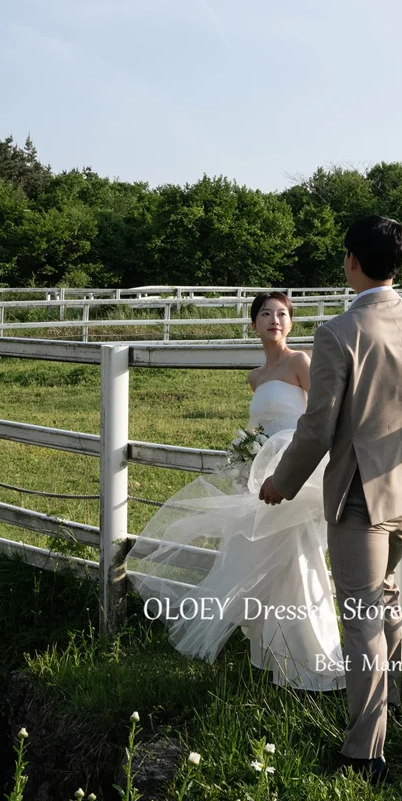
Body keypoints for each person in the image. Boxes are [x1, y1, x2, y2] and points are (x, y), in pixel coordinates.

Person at [260, 216, 402, 782]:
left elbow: (317, 428)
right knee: (384, 596)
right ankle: (388, 704)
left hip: (361, 495)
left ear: (351, 261)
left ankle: (364, 754)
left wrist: (282, 482)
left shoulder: (339, 331)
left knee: (362, 617)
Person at [126, 291, 346, 692]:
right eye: (265, 314)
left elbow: (319, 417)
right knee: (261, 554)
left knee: (298, 557)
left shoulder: (301, 362)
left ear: (291, 324)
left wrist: (292, 462)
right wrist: (251, 453)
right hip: (263, 475)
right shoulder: (256, 377)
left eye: (282, 314)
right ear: (253, 324)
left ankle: (316, 660)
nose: (274, 320)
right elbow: (263, 426)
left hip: (298, 471)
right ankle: (274, 654)